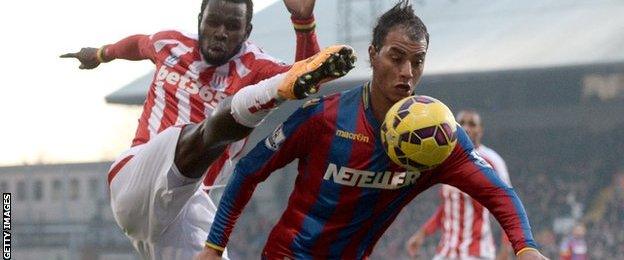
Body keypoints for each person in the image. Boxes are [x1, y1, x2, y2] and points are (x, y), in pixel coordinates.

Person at [199, 1, 547, 259]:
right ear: (372, 54)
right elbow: (249, 168)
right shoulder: (324, 118)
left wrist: (526, 248)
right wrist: (215, 247)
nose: (407, 72)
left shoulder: (436, 138)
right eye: (396, 58)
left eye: (417, 61)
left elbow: (499, 193)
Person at [60, 0, 356, 259]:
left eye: (232, 26)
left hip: (187, 207)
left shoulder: (256, 64)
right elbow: (139, 44)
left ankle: (258, 100)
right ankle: (256, 101)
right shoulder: (170, 44)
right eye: (213, 22)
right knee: (206, 130)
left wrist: (303, 22)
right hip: (137, 176)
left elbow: (309, 75)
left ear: (247, 32)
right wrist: (101, 53)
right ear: (199, 21)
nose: (221, 33)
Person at [405, 109, 515, 260]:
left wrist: (505, 250)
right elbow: (447, 207)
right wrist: (422, 233)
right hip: (446, 251)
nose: (467, 128)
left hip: (476, 252)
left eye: (472, 124)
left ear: (480, 130)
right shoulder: (445, 158)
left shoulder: (492, 161)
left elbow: (508, 207)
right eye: (462, 123)